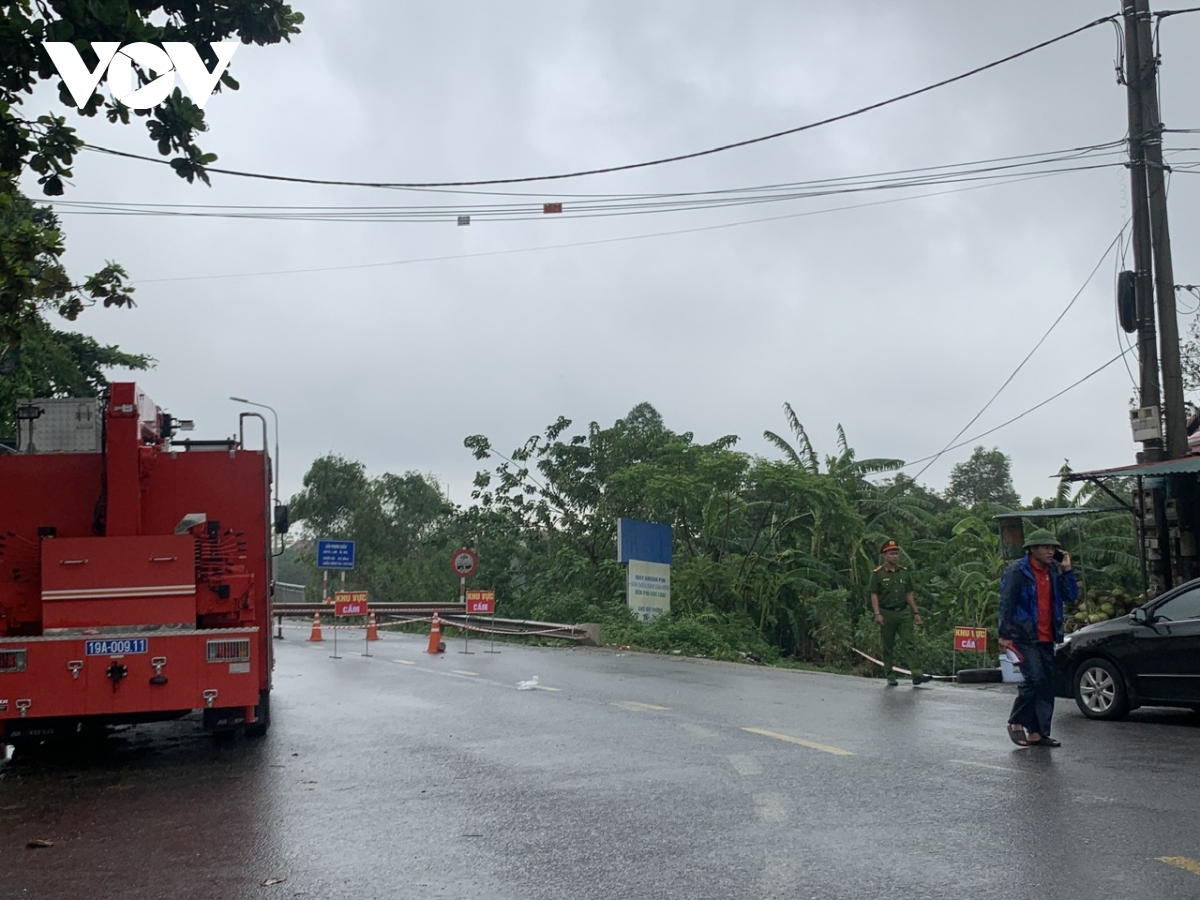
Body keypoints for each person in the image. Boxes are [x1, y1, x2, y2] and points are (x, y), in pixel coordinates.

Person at [998, 529, 1078, 748]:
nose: (1050, 551)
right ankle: (1016, 720)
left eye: (1053, 548)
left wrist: (1067, 570)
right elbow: (1007, 602)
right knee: (1034, 679)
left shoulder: (1053, 571)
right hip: (1023, 634)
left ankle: (1038, 732)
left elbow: (1071, 596)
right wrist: (1004, 634)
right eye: (1045, 547)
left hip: (1048, 634)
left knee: (1046, 683)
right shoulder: (1017, 571)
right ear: (1032, 549)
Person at [868, 539, 931, 687]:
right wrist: (877, 614)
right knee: (888, 645)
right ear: (885, 555)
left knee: (908, 643)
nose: (894, 556)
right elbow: (874, 594)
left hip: (903, 612)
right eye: (891, 553)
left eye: (896, 553)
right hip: (886, 613)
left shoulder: (904, 573)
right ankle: (890, 674)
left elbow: (909, 594)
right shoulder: (877, 574)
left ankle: (916, 674)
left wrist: (916, 612)